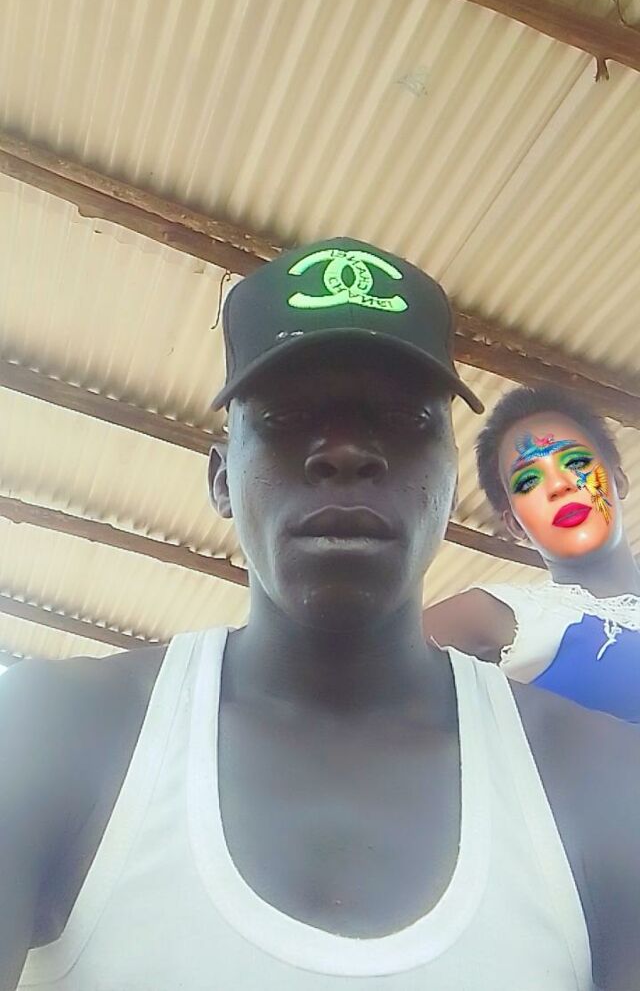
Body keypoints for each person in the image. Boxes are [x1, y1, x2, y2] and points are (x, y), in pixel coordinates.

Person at [2, 237, 639, 991]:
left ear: (448, 479)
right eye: (287, 416)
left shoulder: (602, 784)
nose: (343, 452)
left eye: (401, 416)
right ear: (221, 480)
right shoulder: (51, 731)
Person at [422, 386, 640, 721]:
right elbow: (350, 675)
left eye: (576, 462)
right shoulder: (503, 615)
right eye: (528, 481)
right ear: (514, 524)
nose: (559, 486)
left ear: (619, 480)